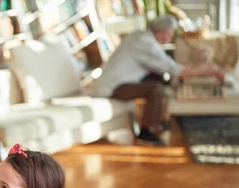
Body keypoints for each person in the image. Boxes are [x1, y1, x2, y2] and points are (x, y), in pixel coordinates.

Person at [91, 15, 225, 145]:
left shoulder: (140, 36)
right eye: (170, 33)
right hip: (112, 88)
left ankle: (160, 122)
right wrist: (213, 72)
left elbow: (165, 68)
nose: (171, 37)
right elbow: (179, 71)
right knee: (155, 89)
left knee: (158, 77)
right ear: (161, 32)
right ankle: (146, 132)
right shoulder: (146, 44)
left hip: (120, 82)